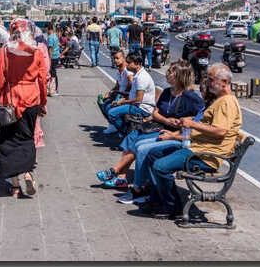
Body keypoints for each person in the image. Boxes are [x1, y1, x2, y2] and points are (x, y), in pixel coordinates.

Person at [133, 62, 243, 218]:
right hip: (197, 148)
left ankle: (172, 207)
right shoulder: (220, 100)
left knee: (160, 166)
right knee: (153, 154)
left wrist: (192, 124)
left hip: (205, 156)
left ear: (224, 82)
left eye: (211, 80)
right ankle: (157, 198)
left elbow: (220, 131)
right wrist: (190, 123)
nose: (208, 83)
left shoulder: (227, 102)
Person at [99, 60, 201, 192]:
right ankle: (121, 176)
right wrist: (166, 120)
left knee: (139, 143)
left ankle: (118, 172)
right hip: (159, 126)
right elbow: (155, 113)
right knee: (132, 136)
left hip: (173, 133)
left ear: (179, 76)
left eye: (170, 71)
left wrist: (184, 121)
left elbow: (201, 117)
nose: (167, 73)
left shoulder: (191, 97)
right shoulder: (166, 92)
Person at [0, 17, 49, 197]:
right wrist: (43, 102)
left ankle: (15, 185)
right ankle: (28, 174)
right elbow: (42, 79)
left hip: (10, 99)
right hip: (31, 98)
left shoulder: (4, 52)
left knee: (8, 141)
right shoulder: (37, 52)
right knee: (26, 138)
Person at [44, 24, 62, 89]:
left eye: (45, 29)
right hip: (57, 55)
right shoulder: (55, 35)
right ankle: (54, 87)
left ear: (48, 28)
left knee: (52, 72)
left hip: (53, 57)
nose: (45, 30)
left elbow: (50, 48)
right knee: (54, 72)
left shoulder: (50, 37)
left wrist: (49, 58)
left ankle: (53, 88)